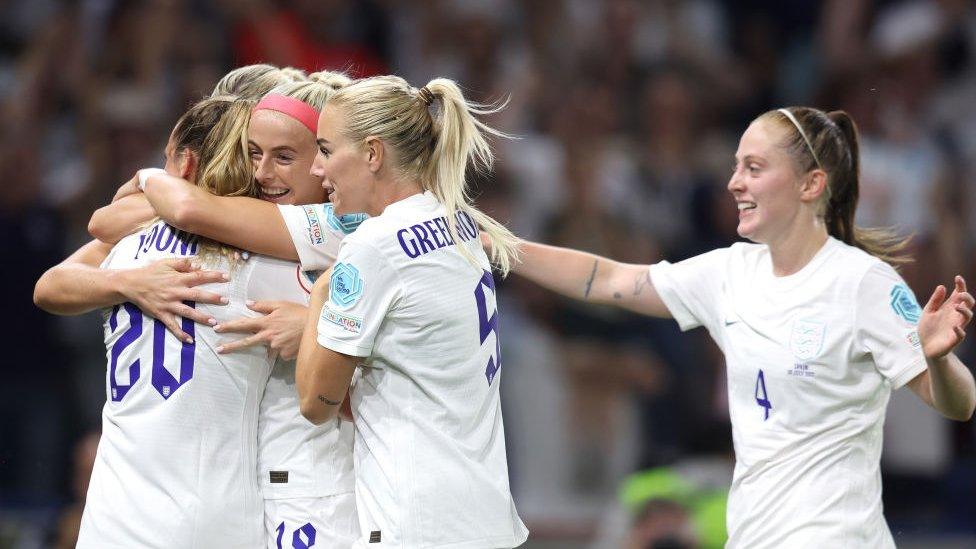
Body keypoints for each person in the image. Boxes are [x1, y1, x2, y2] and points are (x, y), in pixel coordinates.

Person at [503, 106, 976, 547]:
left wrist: (937, 359)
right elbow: (608, 278)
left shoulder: (862, 283)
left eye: (753, 168)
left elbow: (960, 402)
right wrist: (496, 243)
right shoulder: (729, 273)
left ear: (810, 185)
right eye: (736, 167)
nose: (733, 183)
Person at [44, 73, 364, 548]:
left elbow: (52, 283)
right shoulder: (280, 258)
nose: (265, 172)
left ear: (185, 165)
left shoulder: (128, 247)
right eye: (257, 155)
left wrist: (126, 269)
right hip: (219, 514)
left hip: (110, 514)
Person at [294, 75, 528, 548]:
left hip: (417, 519)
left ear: (374, 154)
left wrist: (321, 295)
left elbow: (316, 403)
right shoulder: (459, 224)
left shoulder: (372, 247)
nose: (318, 169)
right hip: (484, 513)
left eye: (326, 149)